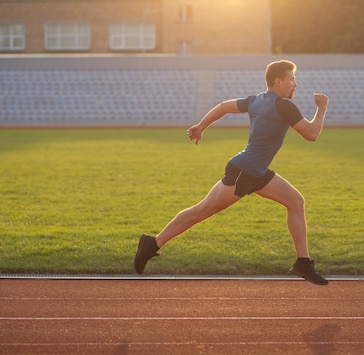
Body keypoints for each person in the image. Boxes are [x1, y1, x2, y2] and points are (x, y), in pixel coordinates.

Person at [134, 60, 330, 285]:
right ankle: (153, 243)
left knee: (295, 201)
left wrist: (201, 126)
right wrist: (322, 108)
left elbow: (223, 106)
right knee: (202, 211)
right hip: (244, 172)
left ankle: (303, 263)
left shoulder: (255, 100)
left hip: (257, 172)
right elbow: (311, 134)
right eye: (291, 79)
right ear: (278, 82)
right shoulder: (284, 106)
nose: (295, 84)